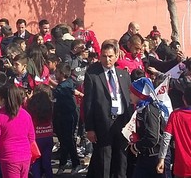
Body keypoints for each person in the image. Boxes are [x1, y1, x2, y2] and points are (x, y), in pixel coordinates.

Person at [82, 39, 132, 178]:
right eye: (104, 56)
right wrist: (90, 128)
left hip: (122, 122)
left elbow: (128, 99)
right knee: (104, 160)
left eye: (110, 56)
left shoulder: (123, 75)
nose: (107, 59)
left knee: (122, 159)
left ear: (116, 56)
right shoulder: (93, 75)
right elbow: (88, 103)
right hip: (104, 123)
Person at [0, 83, 36, 178]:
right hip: (25, 156)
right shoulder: (26, 115)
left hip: (9, 157)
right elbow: (31, 137)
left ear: (3, 100)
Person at [128, 77, 168, 178]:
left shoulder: (150, 109)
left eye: (132, 93)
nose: (130, 95)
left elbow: (152, 137)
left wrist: (137, 146)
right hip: (146, 154)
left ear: (139, 95)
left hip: (155, 156)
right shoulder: (142, 108)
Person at [53, 63, 81, 174]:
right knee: (63, 141)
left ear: (62, 74)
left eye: (56, 72)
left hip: (68, 116)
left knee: (68, 140)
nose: (55, 74)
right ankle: (63, 163)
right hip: (61, 116)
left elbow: (55, 92)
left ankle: (76, 163)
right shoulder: (67, 84)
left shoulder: (63, 86)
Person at [26, 84, 54, 178]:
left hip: (36, 137)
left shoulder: (31, 105)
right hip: (48, 135)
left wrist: (29, 99)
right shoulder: (50, 105)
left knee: (36, 162)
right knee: (47, 162)